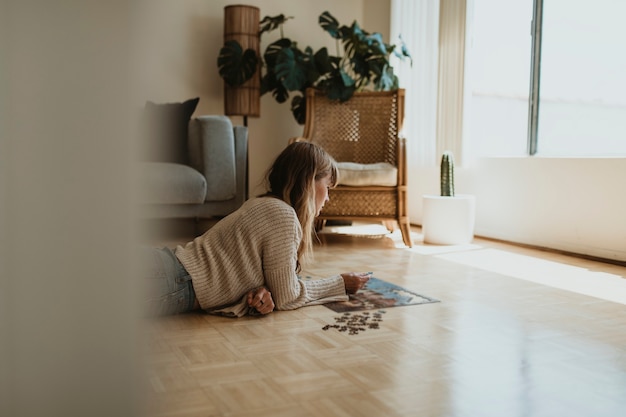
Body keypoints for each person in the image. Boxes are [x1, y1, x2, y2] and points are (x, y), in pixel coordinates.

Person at [142, 141, 370, 318]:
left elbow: (247, 270)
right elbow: (288, 297)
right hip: (170, 280)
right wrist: (339, 283)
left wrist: (261, 291)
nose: (328, 198)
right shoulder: (284, 216)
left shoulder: (264, 204)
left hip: (167, 271)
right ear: (309, 182)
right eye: (327, 187)